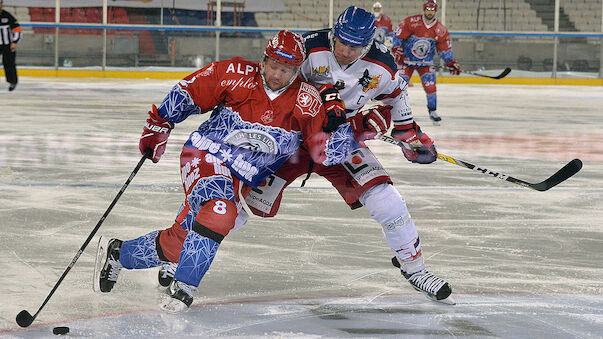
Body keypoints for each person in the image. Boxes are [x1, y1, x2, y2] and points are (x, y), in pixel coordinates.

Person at [93, 30, 357, 314]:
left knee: (182, 243)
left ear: (296, 70)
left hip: (244, 179)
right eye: (273, 66)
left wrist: (346, 121)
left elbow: (328, 154)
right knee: (219, 212)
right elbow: (190, 92)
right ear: (263, 60)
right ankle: (183, 288)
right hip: (206, 153)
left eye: (286, 69)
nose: (277, 75)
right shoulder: (236, 73)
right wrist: (159, 125)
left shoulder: (307, 98)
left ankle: (120, 253)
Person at [242, 6, 454, 304]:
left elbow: (396, 93)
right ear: (333, 32)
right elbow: (273, 85)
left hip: (342, 141)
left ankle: (414, 268)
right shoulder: (309, 47)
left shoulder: (382, 64)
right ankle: (182, 256)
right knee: (238, 198)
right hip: (291, 137)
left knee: (386, 199)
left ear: (368, 43)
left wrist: (408, 132)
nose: (343, 50)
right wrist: (319, 106)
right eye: (340, 41)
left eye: (353, 46)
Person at [391, 0, 462, 123]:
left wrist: (450, 62)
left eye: (432, 9)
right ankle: (393, 110)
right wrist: (397, 50)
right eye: (428, 9)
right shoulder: (412, 22)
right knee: (399, 87)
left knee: (430, 87)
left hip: (425, 62)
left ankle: (432, 110)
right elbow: (398, 36)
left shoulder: (440, 29)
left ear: (435, 11)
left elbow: (444, 48)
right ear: (424, 10)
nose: (430, 12)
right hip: (407, 61)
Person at [0, 0, 21, 91]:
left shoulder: (7, 16)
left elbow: (17, 29)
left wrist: (15, 42)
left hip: (8, 45)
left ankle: (13, 81)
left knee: (9, 63)